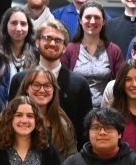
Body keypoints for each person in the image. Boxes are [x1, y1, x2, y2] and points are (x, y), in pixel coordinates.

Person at [9, 19, 94, 149]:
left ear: (65, 47)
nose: (52, 43)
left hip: (65, 155)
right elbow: (11, 120)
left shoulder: (79, 84)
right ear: (37, 42)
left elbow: (85, 130)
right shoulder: (19, 80)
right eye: (47, 38)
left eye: (58, 40)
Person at [60, 1, 125, 108]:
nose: (93, 21)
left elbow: (120, 84)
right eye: (88, 17)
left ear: (104, 21)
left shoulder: (114, 50)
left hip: (106, 113)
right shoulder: (69, 49)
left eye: (97, 17)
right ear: (80, 20)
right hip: (75, 111)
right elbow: (63, 84)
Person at [15, 67, 77, 161]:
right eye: (36, 85)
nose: (42, 90)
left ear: (53, 90)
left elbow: (72, 160)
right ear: (27, 88)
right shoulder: (9, 119)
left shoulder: (63, 124)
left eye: (47, 85)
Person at [0, 7, 39, 104]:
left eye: (23, 24)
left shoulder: (37, 55)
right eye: (14, 23)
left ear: (29, 27)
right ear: (6, 25)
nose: (19, 28)